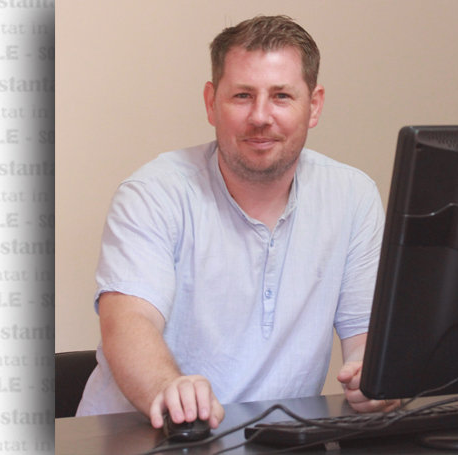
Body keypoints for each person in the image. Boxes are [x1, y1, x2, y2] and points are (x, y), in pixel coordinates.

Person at [76, 15, 398, 429]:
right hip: (141, 438)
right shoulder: (152, 193)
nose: (260, 116)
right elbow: (128, 325)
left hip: (279, 439)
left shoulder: (352, 196)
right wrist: (169, 388)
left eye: (281, 96)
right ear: (211, 102)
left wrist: (372, 376)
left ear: (314, 105)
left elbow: (365, 335)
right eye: (243, 95)